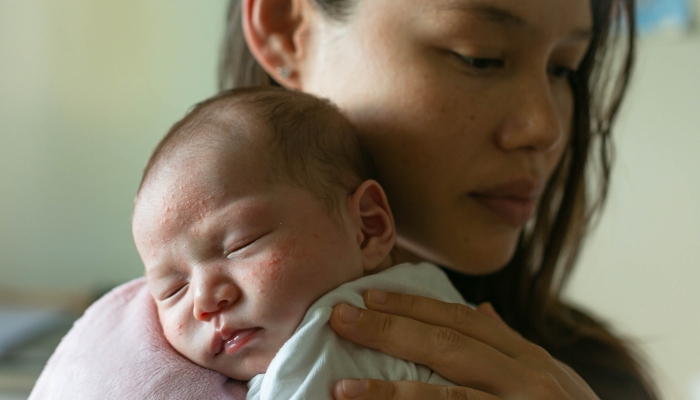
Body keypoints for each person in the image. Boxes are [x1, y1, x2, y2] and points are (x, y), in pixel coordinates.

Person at [217, 0, 660, 399]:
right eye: (480, 57)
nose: (545, 129)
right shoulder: (160, 362)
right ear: (288, 32)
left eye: (563, 68)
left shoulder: (596, 378)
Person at [131, 86, 468, 399]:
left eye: (241, 245)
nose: (204, 301)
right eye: (172, 289)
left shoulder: (332, 337)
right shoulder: (426, 293)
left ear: (367, 227)